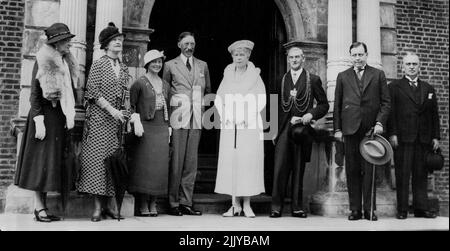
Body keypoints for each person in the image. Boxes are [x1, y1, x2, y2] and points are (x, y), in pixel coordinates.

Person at [14, 23, 78, 222]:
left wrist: (68, 114)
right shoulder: (43, 60)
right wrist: (38, 119)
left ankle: (43, 206)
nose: (69, 43)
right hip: (44, 118)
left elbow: (69, 90)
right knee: (41, 163)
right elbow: (34, 94)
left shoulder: (65, 60)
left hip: (58, 117)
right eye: (66, 41)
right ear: (57, 43)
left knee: (49, 164)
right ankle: (38, 207)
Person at [77, 22, 132, 222]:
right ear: (106, 45)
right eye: (115, 40)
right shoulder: (99, 64)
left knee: (114, 162)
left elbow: (126, 94)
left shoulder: (124, 68)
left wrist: (126, 112)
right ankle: (97, 208)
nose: (119, 43)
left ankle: (109, 206)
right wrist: (112, 110)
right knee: (98, 163)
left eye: (120, 40)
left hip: (117, 125)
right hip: (100, 121)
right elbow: (92, 91)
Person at [334, 42, 390, 221]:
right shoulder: (342, 76)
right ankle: (355, 210)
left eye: (360, 54)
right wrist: (337, 129)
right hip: (350, 130)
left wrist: (380, 122)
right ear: (350, 56)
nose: (357, 58)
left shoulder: (378, 74)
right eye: (354, 55)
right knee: (352, 171)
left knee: (370, 172)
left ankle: (370, 210)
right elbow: (337, 105)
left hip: (370, 130)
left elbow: (386, 103)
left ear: (366, 55)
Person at [269, 46, 329, 218]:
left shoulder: (313, 79)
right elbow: (273, 106)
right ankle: (276, 207)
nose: (294, 60)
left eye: (297, 57)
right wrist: (273, 130)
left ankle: (297, 207)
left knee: (298, 167)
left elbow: (324, 104)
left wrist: (310, 114)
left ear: (303, 59)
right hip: (282, 129)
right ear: (288, 59)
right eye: (291, 57)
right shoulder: (280, 79)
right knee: (280, 168)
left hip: (302, 130)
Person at [214, 40, 266, 218]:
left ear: (248, 56)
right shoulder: (227, 74)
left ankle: (247, 204)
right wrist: (228, 115)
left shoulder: (255, 75)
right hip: (231, 125)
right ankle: (234, 204)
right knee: (232, 162)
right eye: (236, 55)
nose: (238, 58)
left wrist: (246, 117)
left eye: (242, 54)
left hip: (249, 125)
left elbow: (261, 99)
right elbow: (219, 98)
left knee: (247, 163)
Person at [162, 32, 211, 216]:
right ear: (179, 44)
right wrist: (167, 120)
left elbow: (208, 91)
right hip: (177, 117)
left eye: (192, 43)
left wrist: (203, 111)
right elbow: (165, 93)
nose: (189, 47)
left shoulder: (203, 65)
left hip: (196, 118)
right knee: (177, 161)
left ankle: (186, 202)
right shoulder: (169, 65)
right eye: (186, 44)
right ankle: (173, 202)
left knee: (191, 162)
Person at [388, 52, 440, 219]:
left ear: (419, 66)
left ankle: (420, 208)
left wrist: (435, 137)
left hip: (423, 139)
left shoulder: (428, 89)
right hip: (403, 138)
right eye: (408, 64)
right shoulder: (394, 87)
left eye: (414, 64)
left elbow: (434, 115)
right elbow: (391, 113)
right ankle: (402, 210)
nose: (411, 67)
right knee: (402, 175)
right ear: (402, 67)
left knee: (421, 175)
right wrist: (393, 133)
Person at [127, 50, 170, 217]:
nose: (157, 65)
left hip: (161, 127)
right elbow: (131, 106)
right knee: (145, 167)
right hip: (145, 128)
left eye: (159, 62)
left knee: (159, 167)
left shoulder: (165, 84)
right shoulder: (139, 83)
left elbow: (169, 106)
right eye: (154, 62)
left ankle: (154, 202)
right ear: (147, 64)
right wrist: (135, 121)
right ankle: (144, 203)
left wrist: (168, 127)